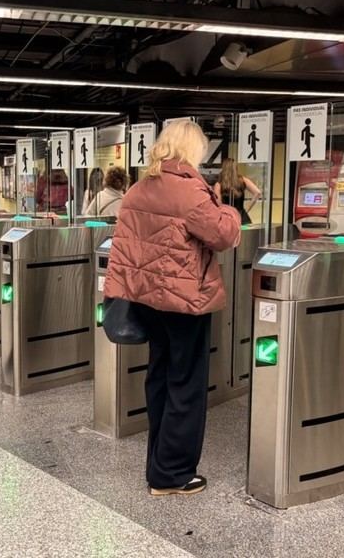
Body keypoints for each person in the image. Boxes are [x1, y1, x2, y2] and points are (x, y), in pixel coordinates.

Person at [103, 120, 241, 496]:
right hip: (184, 301)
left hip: (147, 299)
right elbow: (224, 234)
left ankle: (158, 464)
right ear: (192, 150)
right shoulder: (190, 191)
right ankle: (173, 473)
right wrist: (227, 208)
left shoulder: (138, 188)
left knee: (160, 377)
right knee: (186, 383)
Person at [216, 158, 262, 225]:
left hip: (227, 218)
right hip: (242, 217)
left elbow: (218, 205)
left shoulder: (219, 184)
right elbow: (257, 192)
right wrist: (246, 209)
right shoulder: (242, 180)